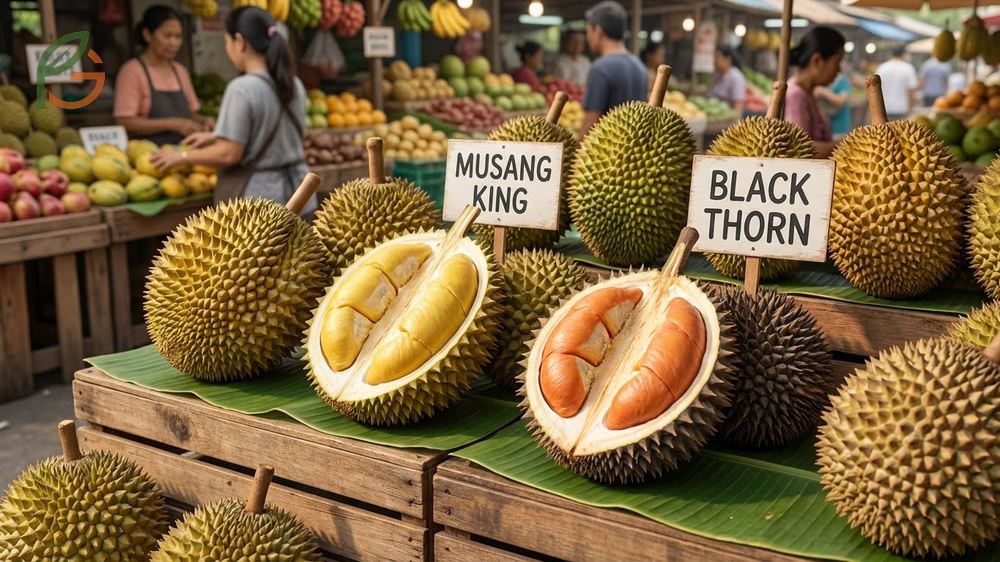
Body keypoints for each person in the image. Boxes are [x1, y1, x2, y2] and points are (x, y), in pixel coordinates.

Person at [151, 6, 310, 209]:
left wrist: (180, 156)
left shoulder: (241, 88)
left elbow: (228, 154)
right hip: (301, 195)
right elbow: (285, 134)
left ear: (239, 42)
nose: (227, 50)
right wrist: (216, 135)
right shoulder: (293, 83)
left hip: (261, 207)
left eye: (226, 42)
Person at [114, 5, 210, 145]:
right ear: (147, 35)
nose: (174, 43)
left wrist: (203, 120)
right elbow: (124, 121)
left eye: (178, 36)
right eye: (167, 36)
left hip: (183, 154)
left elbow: (191, 114)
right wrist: (170, 124)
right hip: (147, 158)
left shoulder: (180, 71)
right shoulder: (132, 71)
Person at [579, 0, 647, 138]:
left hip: (607, 153)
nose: (588, 38)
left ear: (598, 31)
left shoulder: (600, 68)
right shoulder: (639, 66)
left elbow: (591, 121)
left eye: (588, 32)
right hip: (636, 152)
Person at [785, 26, 846, 158]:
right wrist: (846, 145)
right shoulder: (795, 95)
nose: (838, 70)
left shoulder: (810, 93)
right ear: (817, 61)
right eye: (837, 62)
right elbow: (797, 149)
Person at [874, 46, 918, 120]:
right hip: (901, 109)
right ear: (903, 54)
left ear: (891, 54)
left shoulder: (882, 68)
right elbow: (911, 91)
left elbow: (875, 90)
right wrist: (911, 108)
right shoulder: (908, 68)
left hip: (884, 108)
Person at [708, 45, 747, 116]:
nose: (714, 61)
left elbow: (738, 106)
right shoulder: (717, 75)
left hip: (727, 121)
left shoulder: (736, 77)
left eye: (717, 58)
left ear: (727, 59)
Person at [816, 67, 851, 140]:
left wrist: (822, 91)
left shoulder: (842, 80)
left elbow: (841, 100)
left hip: (840, 129)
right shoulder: (819, 80)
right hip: (824, 129)